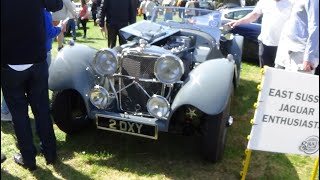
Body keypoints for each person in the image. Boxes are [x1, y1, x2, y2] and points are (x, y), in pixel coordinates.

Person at [1, 0, 63, 171]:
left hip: (12, 61)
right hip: (34, 58)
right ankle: (49, 153)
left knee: (20, 114)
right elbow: (56, 4)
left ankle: (30, 158)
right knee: (41, 109)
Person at [226, 0, 292, 68]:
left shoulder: (291, 3)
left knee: (280, 72)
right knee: (265, 70)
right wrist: (238, 22)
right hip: (264, 42)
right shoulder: (263, 2)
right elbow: (253, 15)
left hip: (282, 45)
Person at [274, 0, 319, 74]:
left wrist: (309, 58)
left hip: (301, 54)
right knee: (282, 83)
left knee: (297, 84)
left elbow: (316, 27)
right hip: (289, 49)